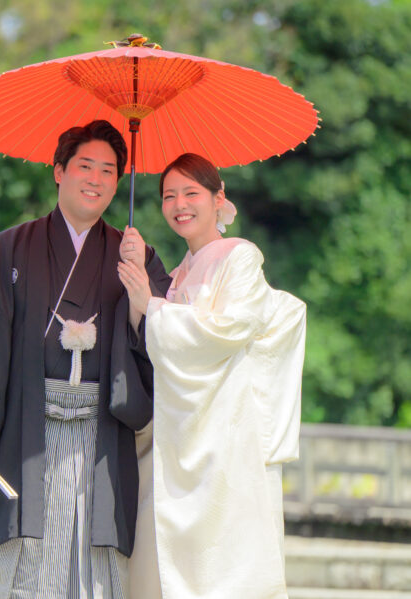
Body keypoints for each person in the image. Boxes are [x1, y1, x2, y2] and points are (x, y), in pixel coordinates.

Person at [0, 120, 170, 598]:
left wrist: (142, 291)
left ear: (120, 183)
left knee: (96, 556)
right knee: (24, 555)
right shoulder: (9, 250)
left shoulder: (134, 256)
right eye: (85, 166)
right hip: (26, 433)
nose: (96, 179)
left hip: (102, 436)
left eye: (109, 170)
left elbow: (167, 343)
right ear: (59, 171)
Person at [117, 153, 306, 599]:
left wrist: (153, 304)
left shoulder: (239, 257)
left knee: (219, 565)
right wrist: (138, 289)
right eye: (168, 195)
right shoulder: (181, 270)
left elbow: (227, 331)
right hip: (182, 431)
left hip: (223, 433)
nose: (179, 203)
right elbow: (156, 346)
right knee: (161, 556)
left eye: (191, 193)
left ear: (218, 199)